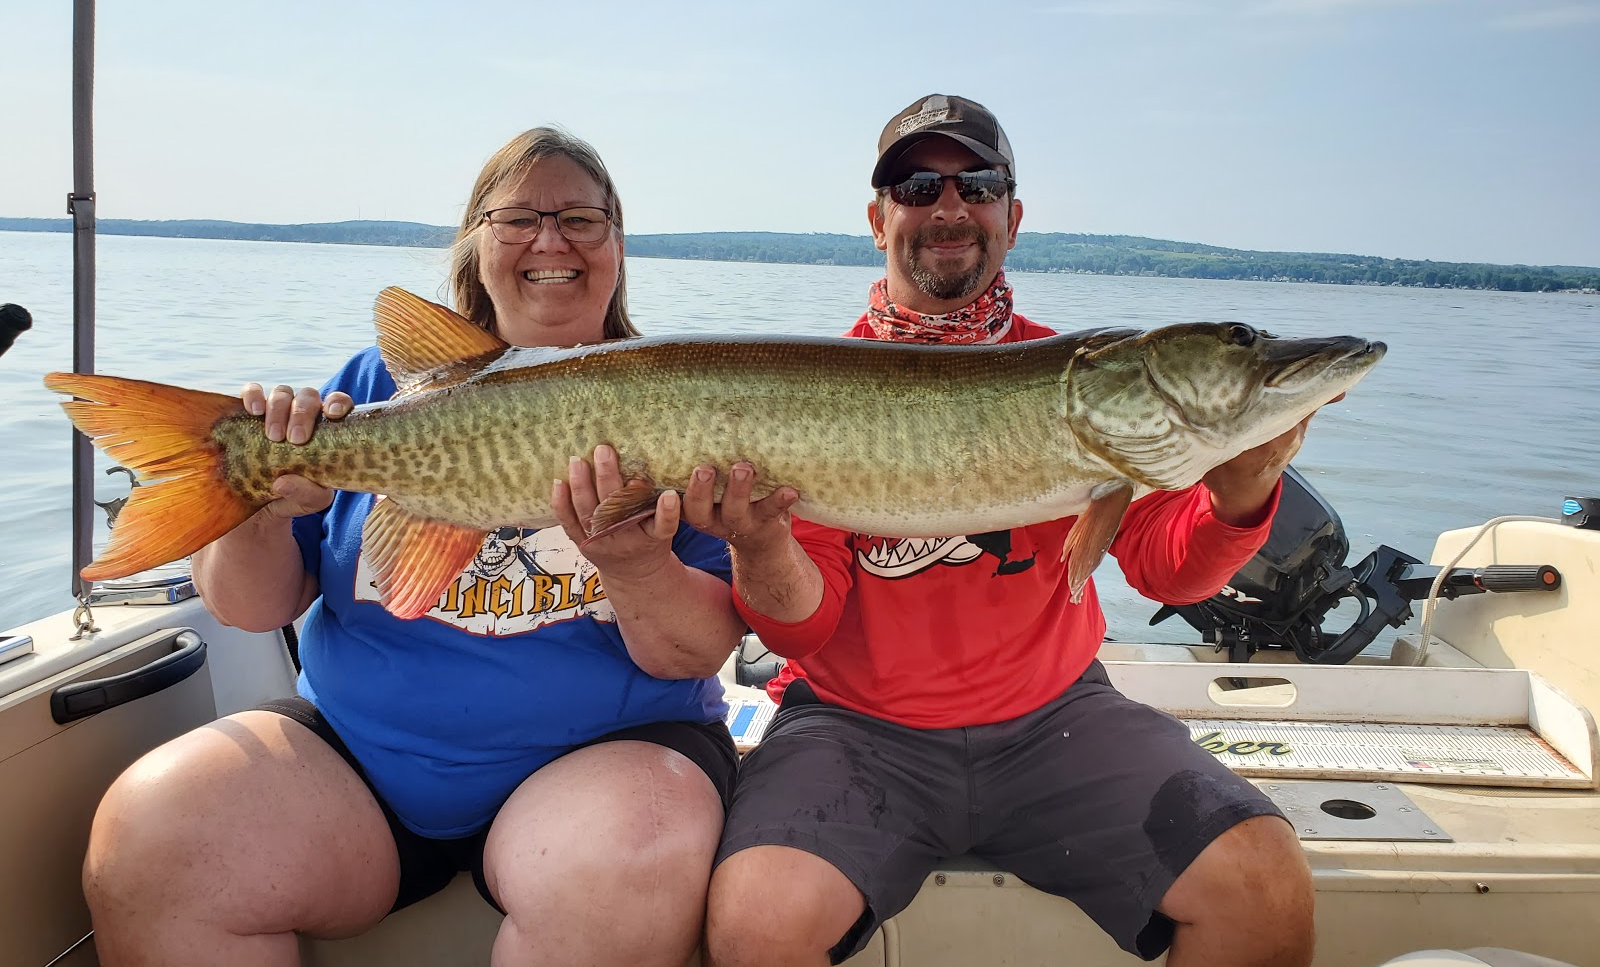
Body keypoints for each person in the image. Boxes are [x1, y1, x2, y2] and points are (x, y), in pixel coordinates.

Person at [82, 128, 747, 967]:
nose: (551, 240)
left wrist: (636, 563)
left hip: (609, 767)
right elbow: (248, 609)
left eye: (581, 217)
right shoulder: (375, 386)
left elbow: (691, 651)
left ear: (618, 244)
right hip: (364, 767)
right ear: (477, 244)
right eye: (518, 219)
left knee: (634, 858)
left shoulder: (688, 399)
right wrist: (257, 505)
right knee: (152, 835)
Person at [693, 96, 1320, 967]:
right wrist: (758, 544)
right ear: (879, 221)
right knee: (757, 923)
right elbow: (802, 627)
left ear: (1012, 218)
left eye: (977, 184)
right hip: (854, 728)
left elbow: (1167, 574)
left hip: (1056, 720)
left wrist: (1243, 494)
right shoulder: (812, 394)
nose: (949, 207)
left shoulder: (1092, 388)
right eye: (918, 186)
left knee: (1263, 881)